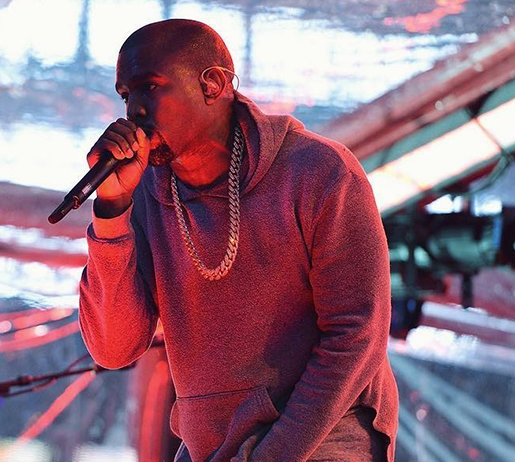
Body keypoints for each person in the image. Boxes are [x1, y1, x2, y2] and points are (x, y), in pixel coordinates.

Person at [77, 19, 399, 462]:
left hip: (324, 443)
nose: (133, 110)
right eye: (125, 95)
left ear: (212, 83)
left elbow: (355, 335)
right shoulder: (147, 193)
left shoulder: (318, 171)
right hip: (210, 447)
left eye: (149, 87)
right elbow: (114, 349)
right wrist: (112, 212)